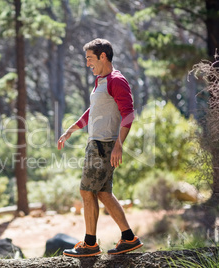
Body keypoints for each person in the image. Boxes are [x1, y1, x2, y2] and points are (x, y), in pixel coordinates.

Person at [57, 38, 143, 257]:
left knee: (86, 191)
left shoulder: (117, 80)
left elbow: (129, 114)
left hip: (104, 146)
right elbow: (93, 110)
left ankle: (90, 244)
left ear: (103, 56)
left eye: (90, 59)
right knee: (104, 194)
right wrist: (70, 130)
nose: (87, 64)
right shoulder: (101, 81)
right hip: (97, 144)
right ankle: (129, 238)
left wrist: (118, 145)